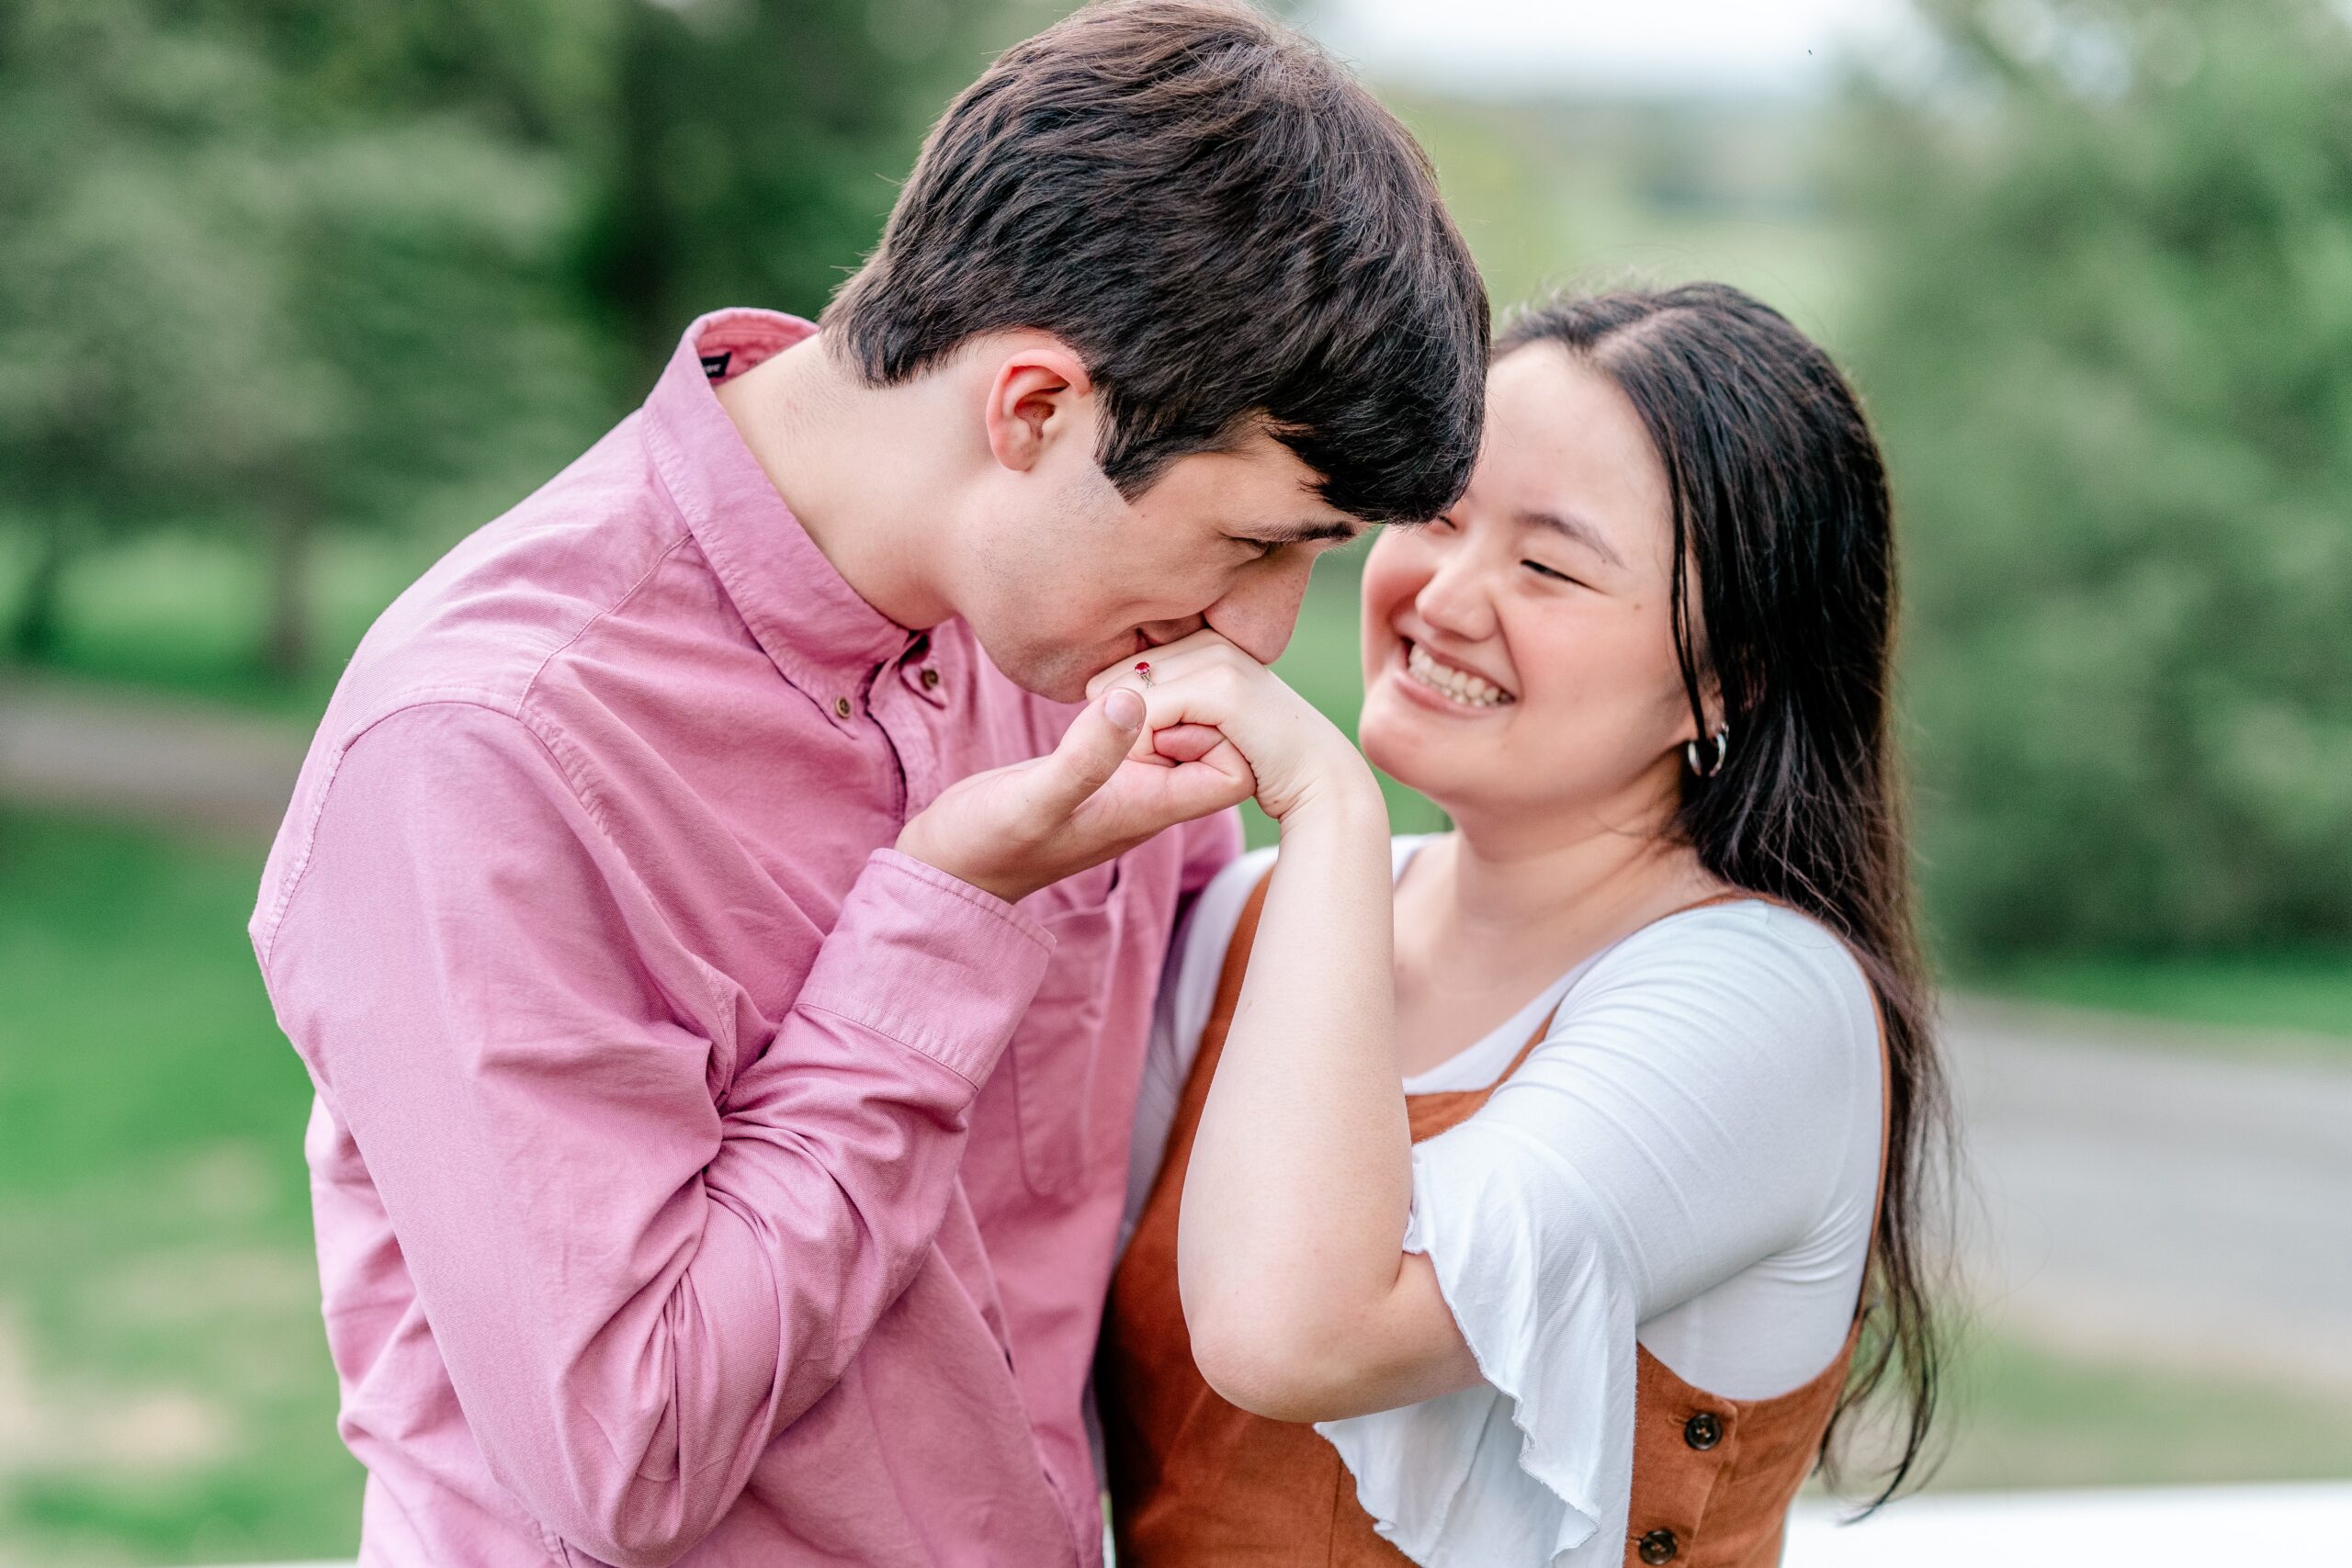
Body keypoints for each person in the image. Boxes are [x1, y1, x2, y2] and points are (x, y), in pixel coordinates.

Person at [246, 4, 1487, 1563]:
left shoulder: (1068, 648)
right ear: (1035, 409)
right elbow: (628, 1458)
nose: (1258, 634)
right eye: (1252, 543)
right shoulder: (484, 749)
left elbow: (1218, 1081)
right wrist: (948, 916)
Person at [1091, 283, 1951, 1567]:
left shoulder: (1765, 1006)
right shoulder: (1245, 922)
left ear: (1728, 677)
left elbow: (1297, 1335)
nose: (1445, 595)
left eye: (1547, 565)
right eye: (1439, 514)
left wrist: (1331, 802)